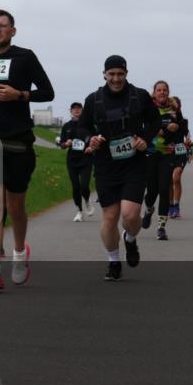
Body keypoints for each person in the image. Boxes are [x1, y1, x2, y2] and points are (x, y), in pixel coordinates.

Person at [0, 9, 54, 289]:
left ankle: (19, 254)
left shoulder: (24, 57)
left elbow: (48, 92)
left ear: (13, 31)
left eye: (2, 26)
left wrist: (21, 95)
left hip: (18, 141)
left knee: (16, 205)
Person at [76, 56, 160, 281]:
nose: (116, 79)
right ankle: (113, 262)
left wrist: (144, 138)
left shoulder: (139, 96)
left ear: (126, 74)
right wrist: (90, 138)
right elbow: (82, 126)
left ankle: (130, 240)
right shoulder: (93, 100)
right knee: (110, 217)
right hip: (106, 164)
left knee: (131, 215)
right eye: (111, 74)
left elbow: (155, 121)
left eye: (120, 74)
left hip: (134, 162)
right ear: (104, 74)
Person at [143, 81, 178, 241]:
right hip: (150, 152)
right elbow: (144, 128)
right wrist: (161, 129)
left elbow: (182, 128)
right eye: (159, 90)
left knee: (164, 189)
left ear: (168, 92)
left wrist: (177, 129)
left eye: (165, 90)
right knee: (151, 192)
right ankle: (149, 209)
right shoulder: (148, 108)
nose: (162, 92)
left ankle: (161, 227)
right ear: (154, 92)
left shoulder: (174, 109)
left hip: (167, 153)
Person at [58, 102, 94, 221]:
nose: (77, 110)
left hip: (86, 159)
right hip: (72, 160)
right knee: (75, 187)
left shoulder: (88, 124)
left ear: (82, 110)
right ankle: (79, 211)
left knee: (84, 185)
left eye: (79, 108)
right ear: (71, 111)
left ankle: (87, 201)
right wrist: (65, 144)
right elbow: (61, 145)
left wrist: (91, 147)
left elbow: (96, 138)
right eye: (74, 109)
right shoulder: (67, 126)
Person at [168, 96, 191, 219]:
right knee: (169, 181)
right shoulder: (164, 120)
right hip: (167, 152)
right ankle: (171, 205)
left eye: (174, 107)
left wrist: (188, 141)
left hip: (180, 152)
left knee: (176, 178)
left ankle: (176, 205)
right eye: (170, 107)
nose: (172, 110)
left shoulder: (183, 121)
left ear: (179, 108)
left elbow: (187, 134)